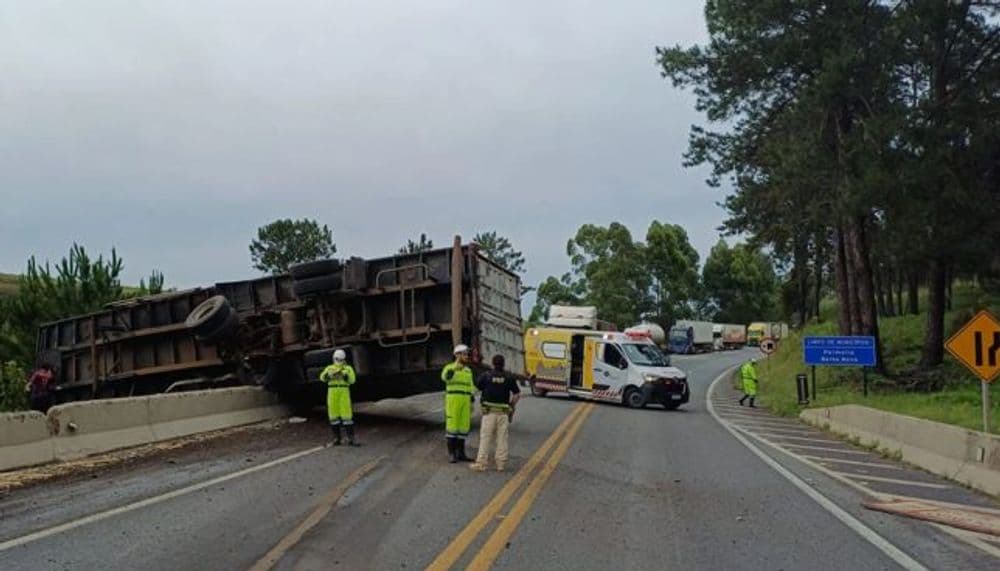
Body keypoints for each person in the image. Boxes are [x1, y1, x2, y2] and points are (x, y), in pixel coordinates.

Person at [470, 354, 520, 472]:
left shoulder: (486, 376)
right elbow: (517, 394)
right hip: (503, 413)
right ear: (503, 364)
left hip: (489, 413)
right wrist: (511, 406)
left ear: (492, 363)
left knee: (485, 438)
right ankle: (501, 464)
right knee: (502, 438)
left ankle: (481, 463)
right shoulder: (509, 377)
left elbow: (477, 387)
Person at [441, 344, 475, 463]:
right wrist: (455, 367)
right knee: (452, 428)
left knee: (463, 429)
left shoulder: (468, 370)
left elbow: (471, 386)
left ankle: (461, 454)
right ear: (457, 355)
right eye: (464, 354)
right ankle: (452, 454)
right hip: (453, 401)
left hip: (465, 401)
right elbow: (446, 377)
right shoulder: (449, 367)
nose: (466, 356)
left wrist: (472, 400)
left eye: (467, 354)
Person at [320, 349, 359, 446]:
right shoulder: (329, 368)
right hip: (332, 392)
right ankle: (337, 439)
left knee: (346, 415)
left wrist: (345, 375)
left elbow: (352, 380)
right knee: (333, 415)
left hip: (343, 391)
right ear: (334, 358)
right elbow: (322, 378)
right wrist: (329, 375)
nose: (339, 361)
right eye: (337, 359)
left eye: (340, 359)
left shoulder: (348, 369)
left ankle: (351, 439)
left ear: (344, 359)